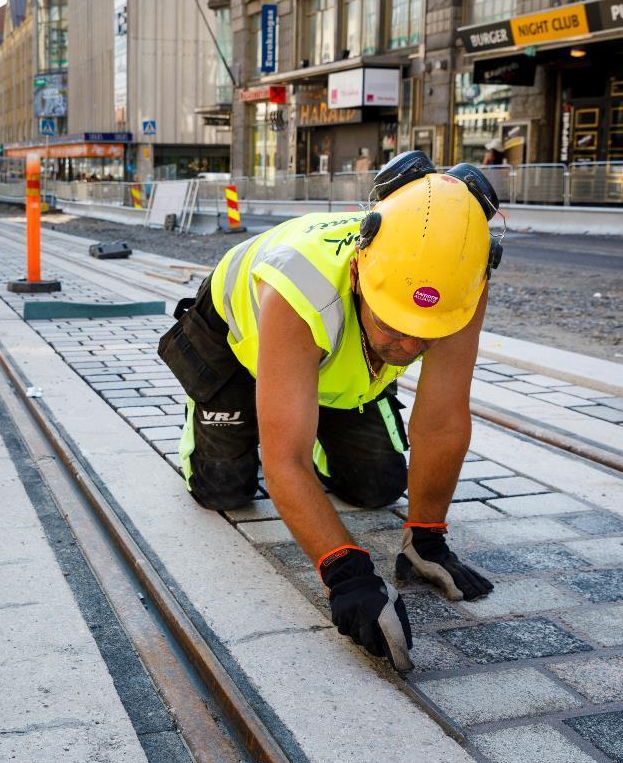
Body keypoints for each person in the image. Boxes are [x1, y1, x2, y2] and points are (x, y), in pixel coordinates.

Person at [158, 152, 503, 672]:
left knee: (377, 488)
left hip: (331, 351)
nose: (409, 346)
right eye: (393, 324)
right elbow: (285, 462)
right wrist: (346, 572)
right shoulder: (303, 288)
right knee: (224, 491)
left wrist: (427, 535)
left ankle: (311, 408)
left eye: (424, 333)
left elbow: (443, 418)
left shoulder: (460, 282)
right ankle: (222, 414)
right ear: (362, 270)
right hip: (238, 344)